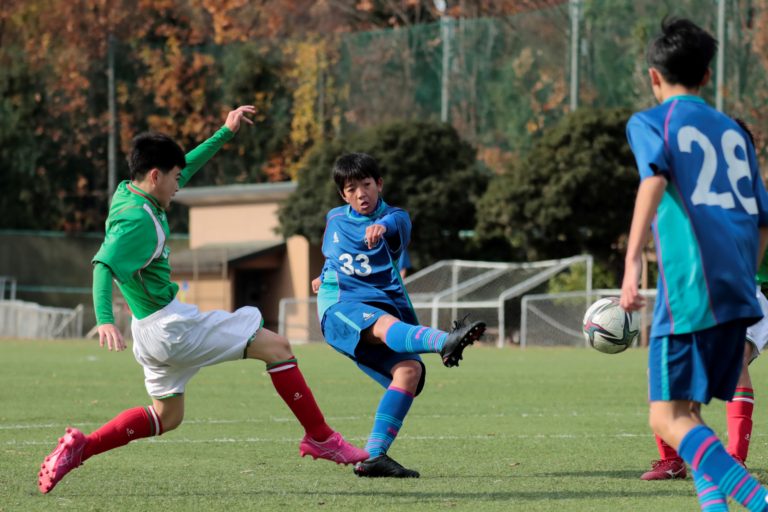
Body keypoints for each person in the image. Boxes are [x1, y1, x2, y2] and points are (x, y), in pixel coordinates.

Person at [37, 106, 368, 495]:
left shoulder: (128, 192)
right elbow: (102, 264)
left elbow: (185, 167)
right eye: (175, 178)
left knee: (167, 416)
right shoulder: (137, 221)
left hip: (149, 332)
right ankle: (321, 437)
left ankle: (82, 447)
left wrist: (224, 133)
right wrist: (105, 318)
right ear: (156, 175)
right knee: (277, 347)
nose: (180, 184)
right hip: (171, 328)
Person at [620, 17, 768, 511]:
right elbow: (762, 221)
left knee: (665, 418)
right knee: (689, 413)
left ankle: (759, 500)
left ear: (653, 76)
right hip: (738, 290)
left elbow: (653, 180)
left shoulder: (650, 122)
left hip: (689, 289)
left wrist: (631, 265)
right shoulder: (736, 133)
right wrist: (742, 275)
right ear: (707, 75)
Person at [311, 152, 486, 478]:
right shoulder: (334, 218)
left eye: (366, 184)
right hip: (340, 306)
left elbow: (393, 224)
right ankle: (444, 341)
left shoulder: (397, 218)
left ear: (379, 184)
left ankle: (374, 456)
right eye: (351, 189)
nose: (361, 194)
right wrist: (323, 275)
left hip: (376, 307)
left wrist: (381, 226)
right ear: (343, 195)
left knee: (409, 371)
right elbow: (333, 254)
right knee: (384, 325)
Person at [641, 120, 767, 481]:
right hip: (695, 293)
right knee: (664, 369)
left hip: (748, 292)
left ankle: (735, 459)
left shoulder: (752, 194)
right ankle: (673, 460)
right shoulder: (690, 192)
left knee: (735, 358)